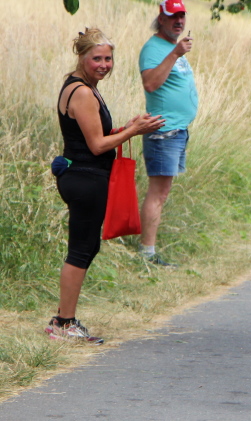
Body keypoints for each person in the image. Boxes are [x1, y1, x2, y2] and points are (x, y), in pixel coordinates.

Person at [48, 28, 164, 344]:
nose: (103, 65)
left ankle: (62, 318)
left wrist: (126, 127)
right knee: (81, 248)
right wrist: (133, 132)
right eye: (96, 58)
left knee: (86, 247)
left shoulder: (84, 86)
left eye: (108, 59)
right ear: (82, 57)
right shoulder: (83, 92)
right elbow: (97, 145)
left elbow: (94, 134)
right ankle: (64, 324)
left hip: (84, 175)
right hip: (85, 178)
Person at [138, 0, 198, 266]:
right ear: (161, 18)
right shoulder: (154, 48)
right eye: (173, 16)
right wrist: (175, 54)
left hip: (176, 130)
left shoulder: (170, 47)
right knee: (158, 193)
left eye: (182, 16)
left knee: (162, 192)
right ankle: (147, 253)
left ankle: (148, 250)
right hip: (163, 131)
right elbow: (151, 83)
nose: (179, 21)